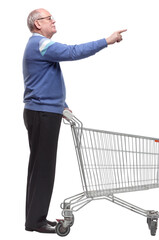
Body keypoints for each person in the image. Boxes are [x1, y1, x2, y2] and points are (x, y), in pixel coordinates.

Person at [23, 8, 127, 234]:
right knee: (43, 169)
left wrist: (61, 104)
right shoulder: (40, 44)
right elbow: (72, 52)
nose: (53, 20)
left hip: (42, 112)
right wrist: (106, 41)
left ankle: (34, 219)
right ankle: (36, 222)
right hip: (42, 114)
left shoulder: (38, 46)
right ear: (37, 24)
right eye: (48, 18)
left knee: (39, 168)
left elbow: (43, 79)